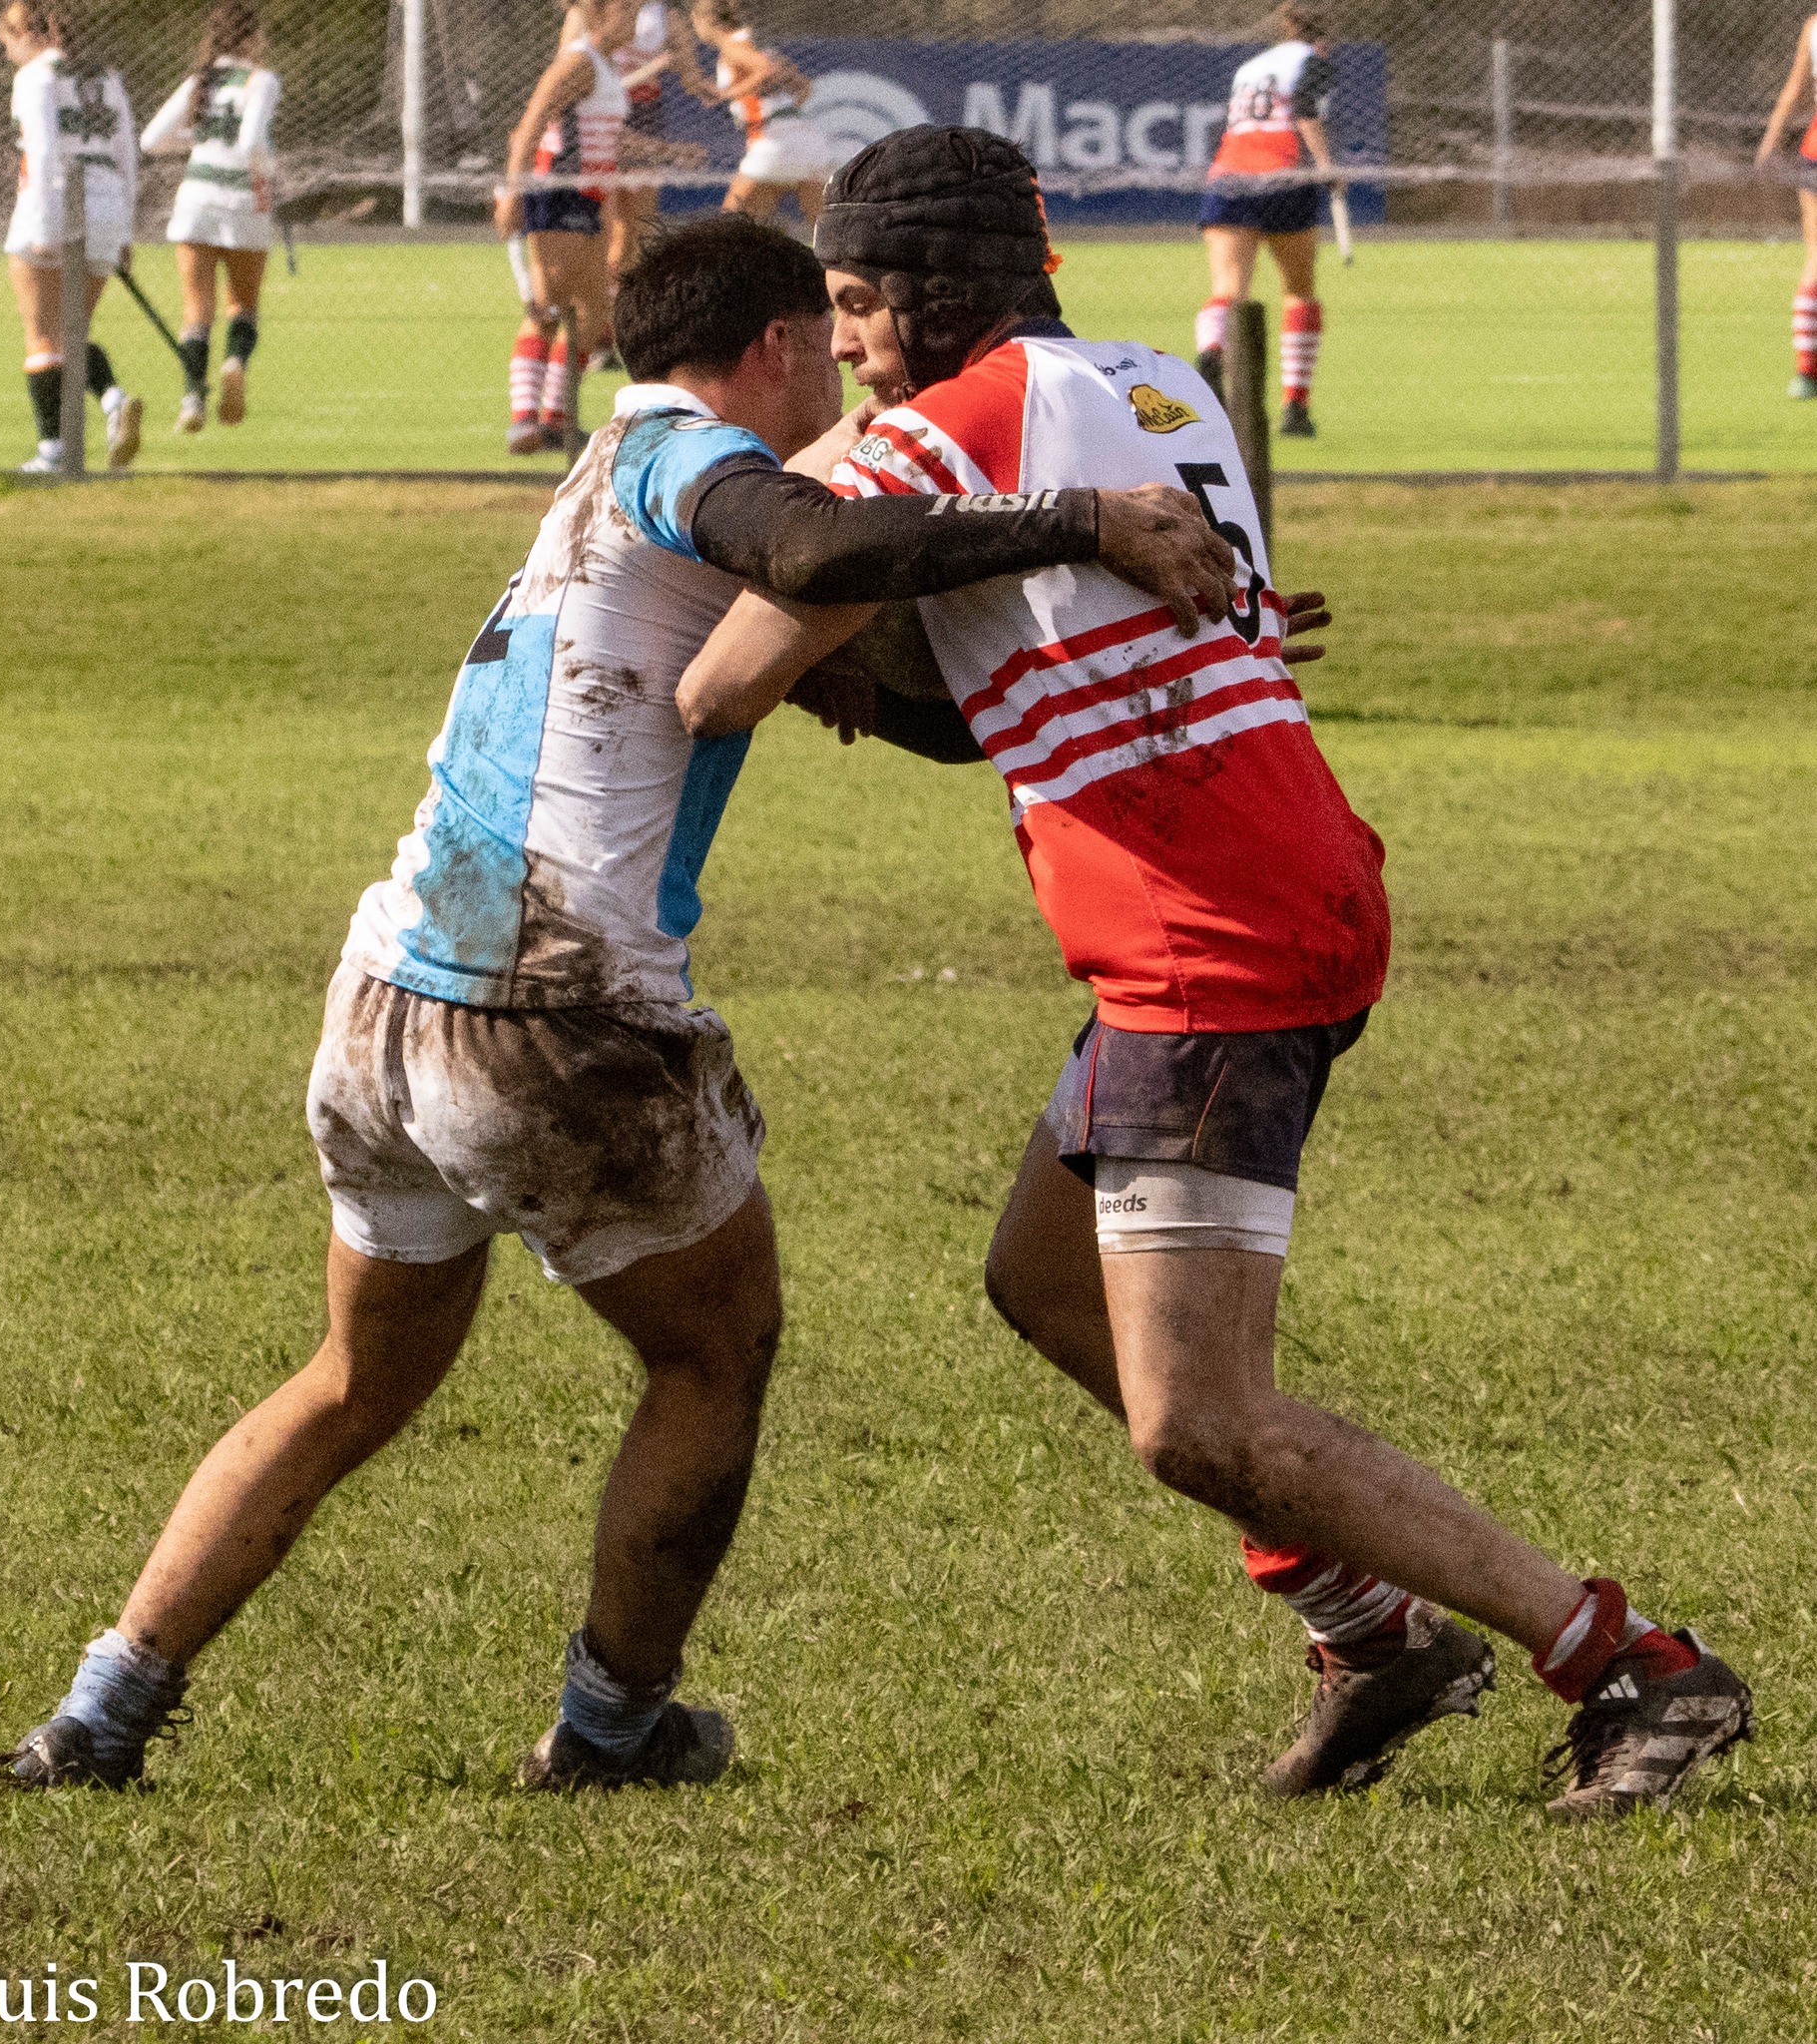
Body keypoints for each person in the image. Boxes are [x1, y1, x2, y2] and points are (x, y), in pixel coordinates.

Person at [5, 211, 1235, 1796]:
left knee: (353, 1381)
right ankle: (611, 1727)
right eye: (831, 341)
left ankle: (98, 1716)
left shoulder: (605, 486)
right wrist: (1079, 518)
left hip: (386, 998)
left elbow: (878, 685)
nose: (849, 379)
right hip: (550, 1014)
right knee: (716, 1355)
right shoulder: (685, 461)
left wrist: (1190, 659)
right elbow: (810, 548)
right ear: (776, 347)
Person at [677, 126, 1756, 1822]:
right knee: (1044, 1277)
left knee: (1195, 1415)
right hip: (1268, 879)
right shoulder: (1157, 382)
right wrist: (894, 667)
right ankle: (1371, 1634)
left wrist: (790, 611)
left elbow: (735, 657)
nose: (851, 343)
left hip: (1213, 937)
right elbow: (1008, 682)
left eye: (856, 305)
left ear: (924, 294)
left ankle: (1626, 1658)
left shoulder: (955, 425)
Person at [0, 0, 142, 474]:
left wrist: (42, 228)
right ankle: (113, 399)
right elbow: (126, 157)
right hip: (106, 207)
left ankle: (53, 451)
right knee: (72, 332)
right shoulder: (108, 77)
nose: (9, 55)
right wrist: (124, 231)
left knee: (42, 334)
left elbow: (41, 151)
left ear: (24, 33)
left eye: (8, 44)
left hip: (52, 204)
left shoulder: (35, 78)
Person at [495, 0, 636, 453]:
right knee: (548, 301)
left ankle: (557, 417)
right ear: (601, 12)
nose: (635, 18)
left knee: (596, 307)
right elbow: (531, 123)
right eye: (627, 7)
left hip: (589, 197)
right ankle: (524, 420)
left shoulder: (607, 66)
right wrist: (514, 195)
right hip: (557, 193)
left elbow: (606, 137)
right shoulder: (578, 61)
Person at [1196, 0, 1339, 438]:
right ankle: (1295, 406)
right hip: (1285, 176)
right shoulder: (1313, 60)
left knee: (1228, 290)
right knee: (1298, 291)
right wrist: (1326, 165)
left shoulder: (1250, 67)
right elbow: (1305, 109)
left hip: (1229, 177)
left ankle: (1212, 354)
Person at [141, 1, 280, 435]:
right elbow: (252, 140)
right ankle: (235, 362)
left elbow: (150, 140)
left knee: (195, 311)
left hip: (196, 198)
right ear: (253, 37)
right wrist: (269, 170)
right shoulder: (262, 80)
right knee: (242, 305)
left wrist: (199, 141)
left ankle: (192, 400)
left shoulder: (200, 80)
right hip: (243, 201)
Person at [605, 3, 717, 300]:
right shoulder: (603, 8)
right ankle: (602, 309)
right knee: (613, 228)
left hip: (646, 113)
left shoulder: (666, 15)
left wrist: (709, 88)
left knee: (639, 228)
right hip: (607, 113)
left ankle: (623, 305)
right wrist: (655, 66)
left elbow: (689, 69)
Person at [690, 0, 831, 225]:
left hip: (772, 142)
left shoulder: (732, 46)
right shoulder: (755, 44)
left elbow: (765, 69)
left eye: (694, 22)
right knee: (823, 233)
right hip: (807, 139)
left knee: (729, 232)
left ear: (706, 21)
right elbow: (804, 87)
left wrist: (724, 94)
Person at [1756, 11, 1817, 398]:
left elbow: (1795, 91)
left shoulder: (1814, 26)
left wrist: (1769, 143)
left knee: (1815, 257)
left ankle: (1805, 372)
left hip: (1815, 150)